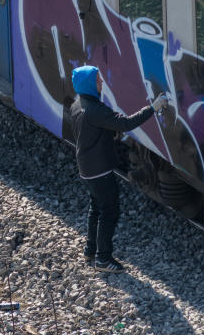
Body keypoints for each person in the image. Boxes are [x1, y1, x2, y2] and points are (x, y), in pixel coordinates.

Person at [69, 65, 167, 274]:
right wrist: (154, 107)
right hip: (99, 170)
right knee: (109, 212)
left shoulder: (77, 105)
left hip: (86, 167)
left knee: (96, 208)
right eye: (98, 80)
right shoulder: (95, 110)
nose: (101, 83)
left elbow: (92, 131)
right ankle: (103, 259)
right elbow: (126, 124)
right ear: (89, 84)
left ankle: (91, 250)